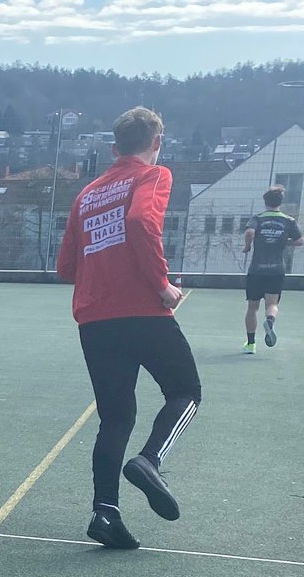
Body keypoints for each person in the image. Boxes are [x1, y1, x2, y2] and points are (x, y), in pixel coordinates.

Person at [55, 106, 200, 550]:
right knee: (186, 392)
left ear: (114, 148)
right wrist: (162, 284)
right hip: (142, 312)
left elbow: (65, 268)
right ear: (156, 142)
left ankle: (105, 513)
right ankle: (150, 460)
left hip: (95, 320)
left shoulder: (88, 194)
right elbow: (139, 222)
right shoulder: (152, 176)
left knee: (115, 418)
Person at [242, 186, 303, 353]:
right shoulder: (288, 220)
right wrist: (285, 242)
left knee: (252, 307)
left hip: (256, 270)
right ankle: (270, 320)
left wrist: (247, 246)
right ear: (280, 202)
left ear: (265, 201)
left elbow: (249, 233)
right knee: (272, 304)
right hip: (276, 269)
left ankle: (250, 344)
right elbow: (300, 241)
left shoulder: (258, 219)